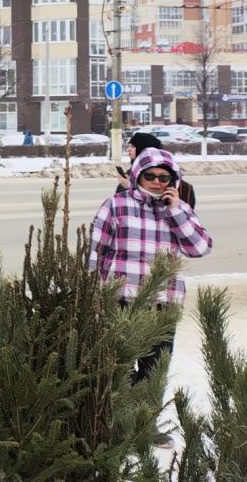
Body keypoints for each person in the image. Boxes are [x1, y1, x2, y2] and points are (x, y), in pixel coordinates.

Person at [90, 147, 212, 388]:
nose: (157, 182)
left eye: (164, 178)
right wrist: (94, 297)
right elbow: (96, 254)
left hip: (162, 305)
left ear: (173, 180)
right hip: (121, 302)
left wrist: (175, 212)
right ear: (137, 176)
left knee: (153, 376)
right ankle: (116, 423)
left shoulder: (180, 210)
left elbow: (199, 248)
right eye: (150, 176)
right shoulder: (116, 205)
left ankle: (145, 423)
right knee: (117, 371)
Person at [115, 133, 196, 207]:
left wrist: (130, 186)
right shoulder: (129, 176)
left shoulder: (183, 188)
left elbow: (187, 218)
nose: (128, 149)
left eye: (133, 146)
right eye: (149, 176)